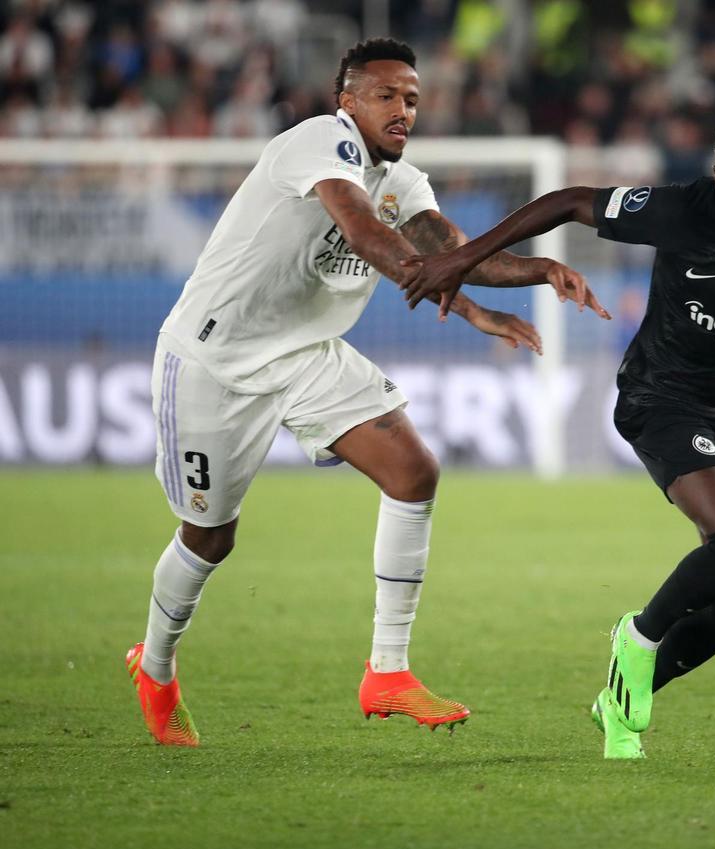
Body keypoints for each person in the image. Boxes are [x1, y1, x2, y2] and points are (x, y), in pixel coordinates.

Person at [127, 38, 608, 747]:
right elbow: (360, 228)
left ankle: (387, 670)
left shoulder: (405, 182)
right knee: (210, 536)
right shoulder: (319, 142)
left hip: (304, 354)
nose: (402, 108)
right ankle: (156, 667)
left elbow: (450, 249)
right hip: (213, 360)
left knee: (415, 470)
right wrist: (427, 274)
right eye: (385, 94)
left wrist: (530, 275)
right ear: (346, 99)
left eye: (411, 97)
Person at [403, 112, 715, 758]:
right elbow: (567, 202)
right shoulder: (680, 211)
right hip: (661, 396)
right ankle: (637, 636)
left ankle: (620, 696)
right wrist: (460, 256)